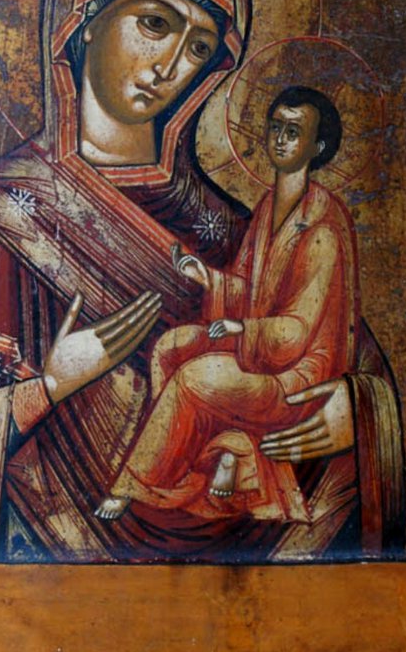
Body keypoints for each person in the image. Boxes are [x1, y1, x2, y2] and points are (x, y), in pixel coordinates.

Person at [0, 0, 404, 564]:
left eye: (198, 47)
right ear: (81, 20)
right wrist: (50, 386)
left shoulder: (236, 225)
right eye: (155, 23)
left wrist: (357, 415)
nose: (172, 66)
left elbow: (344, 356)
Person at [96, 87, 360, 523]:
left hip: (295, 376)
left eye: (293, 132)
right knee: (170, 349)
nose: (279, 139)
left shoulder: (321, 229)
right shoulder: (269, 207)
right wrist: (208, 278)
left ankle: (134, 485)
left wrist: (244, 330)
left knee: (193, 378)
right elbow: (248, 289)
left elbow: (298, 329)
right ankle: (225, 451)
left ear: (317, 147)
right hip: (258, 351)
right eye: (275, 127)